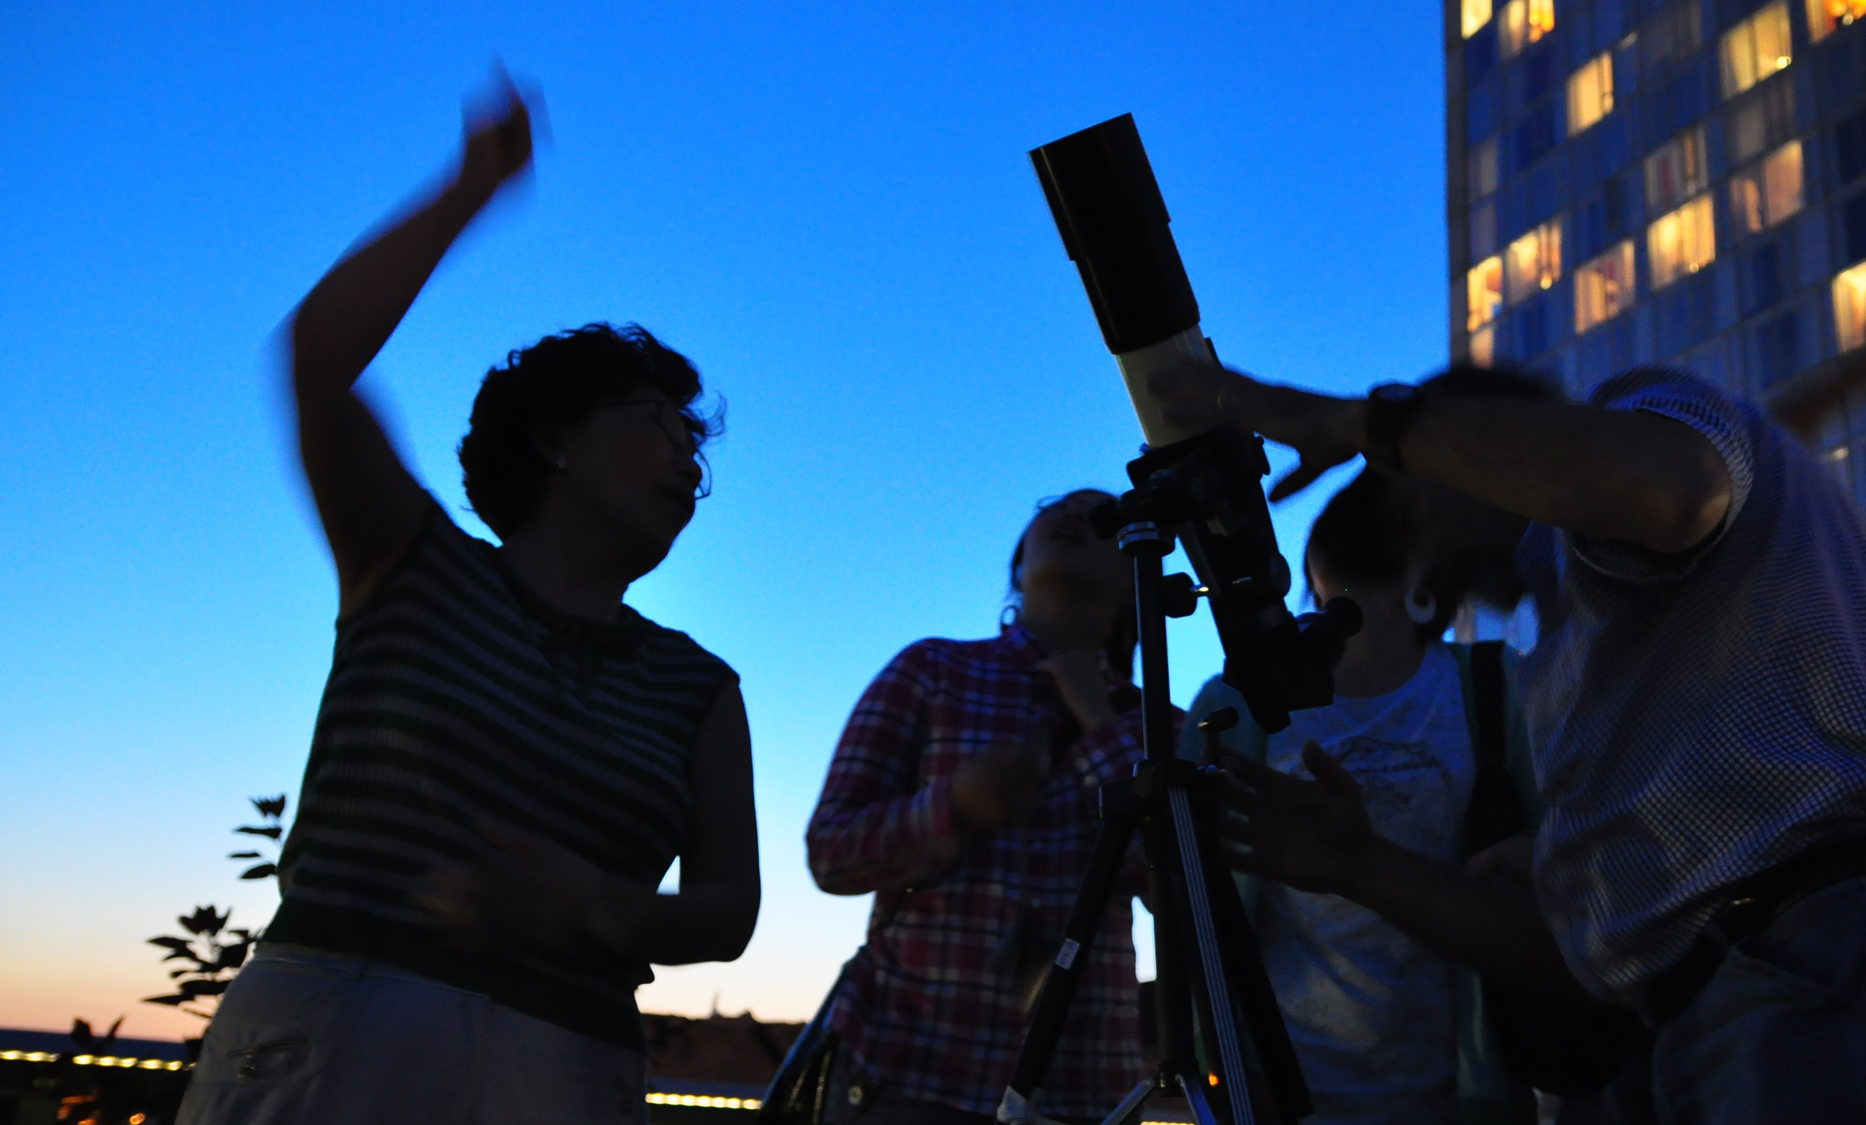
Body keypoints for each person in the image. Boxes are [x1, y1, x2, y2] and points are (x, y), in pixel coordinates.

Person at [1154, 354, 1866, 1121]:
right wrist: (1364, 867)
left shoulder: (1652, 414)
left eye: (1417, 490)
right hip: (1738, 1010)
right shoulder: (1571, 649)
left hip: (1845, 971)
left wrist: (1361, 422)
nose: (1411, 531)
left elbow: (1675, 486)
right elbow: (1574, 960)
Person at [181, 76, 760, 1125]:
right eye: (655, 422)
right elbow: (317, 363)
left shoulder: (700, 686)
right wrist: (474, 185)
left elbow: (728, 910)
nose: (688, 459)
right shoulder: (410, 562)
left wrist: (593, 907)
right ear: (555, 441)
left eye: (698, 449)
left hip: (570, 1062)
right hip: (334, 1025)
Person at [1176, 470, 1540, 1125]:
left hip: (1462, 1095)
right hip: (1278, 1094)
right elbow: (1188, 902)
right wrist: (1227, 1067)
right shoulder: (1234, 704)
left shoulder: (1496, 686)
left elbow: (1565, 871)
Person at [806, 490, 1155, 1124]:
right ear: (1019, 570)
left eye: (1103, 516)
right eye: (1057, 509)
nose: (1076, 514)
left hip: (1083, 1096)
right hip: (906, 1077)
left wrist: (1102, 728)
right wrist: (954, 808)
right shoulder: (932, 670)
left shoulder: (1155, 725)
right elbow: (831, 854)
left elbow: (1178, 892)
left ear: (1140, 583)